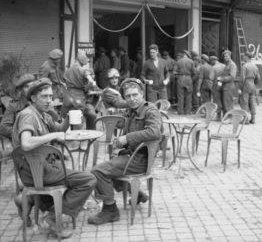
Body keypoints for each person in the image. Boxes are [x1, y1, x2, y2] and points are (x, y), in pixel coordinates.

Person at [12, 78, 96, 238]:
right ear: (33, 98)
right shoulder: (28, 116)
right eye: (44, 96)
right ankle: (51, 217)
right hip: (36, 171)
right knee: (88, 179)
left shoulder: (42, 114)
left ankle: (31, 200)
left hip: (40, 168)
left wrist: (68, 118)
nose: (49, 100)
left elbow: (59, 129)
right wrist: (54, 134)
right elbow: (26, 143)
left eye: (50, 96)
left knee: (71, 178)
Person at [88, 78, 162, 225]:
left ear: (142, 94)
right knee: (109, 166)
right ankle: (138, 194)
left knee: (97, 171)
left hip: (142, 159)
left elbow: (155, 132)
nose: (132, 99)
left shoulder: (150, 110)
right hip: (132, 155)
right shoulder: (131, 111)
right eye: (128, 96)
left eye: (135, 95)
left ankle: (110, 210)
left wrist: (126, 138)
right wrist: (120, 145)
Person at [63, 51, 99, 129]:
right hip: (79, 99)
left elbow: (64, 83)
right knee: (78, 122)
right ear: (81, 59)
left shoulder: (67, 71)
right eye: (86, 58)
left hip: (68, 98)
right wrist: (91, 85)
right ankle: (89, 137)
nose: (88, 60)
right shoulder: (83, 70)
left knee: (91, 115)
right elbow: (90, 80)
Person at [0, 73, 35, 139]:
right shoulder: (13, 107)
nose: (30, 89)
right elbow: (3, 128)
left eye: (32, 86)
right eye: (26, 87)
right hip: (21, 145)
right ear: (20, 90)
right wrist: (22, 134)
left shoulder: (39, 104)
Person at [238, 52, 260, 124]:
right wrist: (254, 83)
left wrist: (240, 88)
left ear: (247, 56)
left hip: (246, 84)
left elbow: (242, 78)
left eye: (244, 56)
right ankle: (253, 119)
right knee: (252, 101)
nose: (243, 57)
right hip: (253, 84)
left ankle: (246, 119)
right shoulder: (255, 66)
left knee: (244, 101)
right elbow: (258, 78)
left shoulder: (245, 66)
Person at [174, 50, 195, 115]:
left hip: (180, 78)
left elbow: (174, 72)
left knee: (180, 96)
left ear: (183, 55)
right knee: (189, 96)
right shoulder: (191, 61)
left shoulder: (178, 61)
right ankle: (188, 111)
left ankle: (180, 111)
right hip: (188, 78)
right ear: (188, 55)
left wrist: (178, 76)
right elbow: (194, 72)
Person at [218, 50, 237, 115]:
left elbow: (232, 76)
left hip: (229, 86)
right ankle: (226, 116)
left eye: (226, 56)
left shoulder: (232, 65)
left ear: (230, 56)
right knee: (225, 102)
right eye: (224, 56)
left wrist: (222, 79)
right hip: (225, 86)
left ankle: (230, 117)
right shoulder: (227, 64)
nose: (225, 57)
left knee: (228, 102)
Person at [210, 56, 226, 121]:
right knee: (224, 100)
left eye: (211, 61)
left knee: (217, 100)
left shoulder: (214, 67)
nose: (210, 63)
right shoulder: (224, 66)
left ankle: (218, 116)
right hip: (224, 84)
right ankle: (225, 115)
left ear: (213, 61)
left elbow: (211, 77)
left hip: (216, 85)